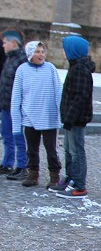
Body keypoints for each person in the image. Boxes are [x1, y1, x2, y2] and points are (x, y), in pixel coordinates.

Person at [10, 41, 62, 189]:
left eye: (42, 51)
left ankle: (54, 176)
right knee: (31, 149)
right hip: (30, 115)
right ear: (30, 54)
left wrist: (61, 116)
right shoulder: (22, 70)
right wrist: (16, 124)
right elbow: (16, 97)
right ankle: (33, 173)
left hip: (49, 116)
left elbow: (58, 92)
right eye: (37, 51)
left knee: (51, 149)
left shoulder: (50, 69)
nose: (41, 54)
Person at [52, 35, 95, 198]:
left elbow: (80, 97)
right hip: (71, 118)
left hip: (76, 118)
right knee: (69, 150)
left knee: (77, 151)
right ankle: (70, 178)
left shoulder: (80, 69)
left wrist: (69, 118)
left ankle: (79, 185)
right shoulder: (76, 67)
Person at [0, 29, 28, 178]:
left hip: (16, 106)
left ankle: (22, 165)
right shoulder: (9, 58)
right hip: (6, 105)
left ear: (13, 43)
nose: (3, 45)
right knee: (6, 136)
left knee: (18, 136)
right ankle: (7, 163)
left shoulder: (22, 60)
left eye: (5, 43)